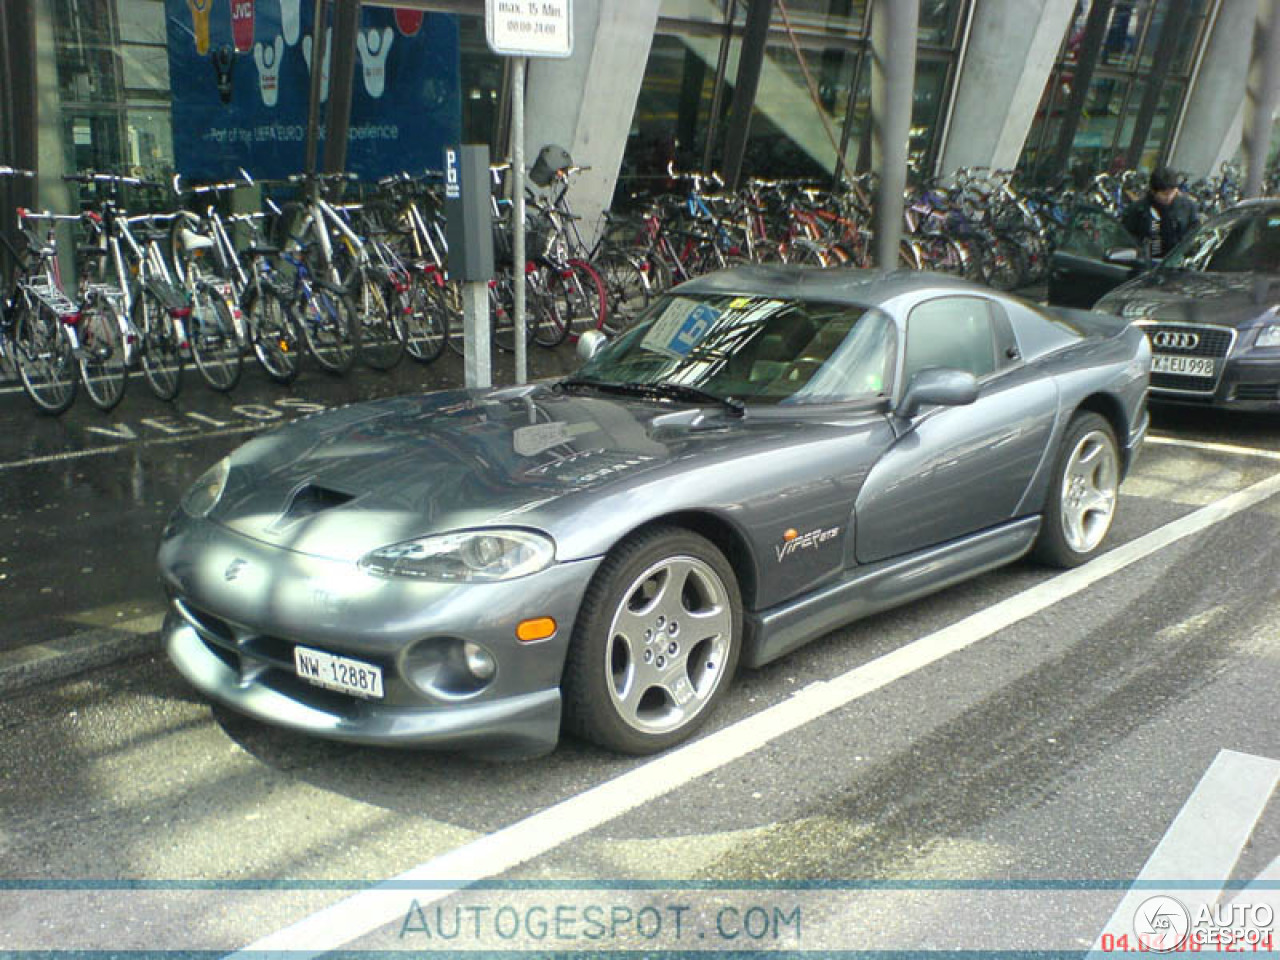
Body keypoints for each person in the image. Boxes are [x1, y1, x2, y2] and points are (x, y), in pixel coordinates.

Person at [1121, 167, 1199, 260]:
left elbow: (1193, 234)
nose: (1169, 197)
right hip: (1146, 261)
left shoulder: (1188, 207)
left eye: (1173, 192)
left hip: (1175, 261)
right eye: (1164, 194)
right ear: (1153, 191)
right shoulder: (1138, 210)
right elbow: (1126, 237)